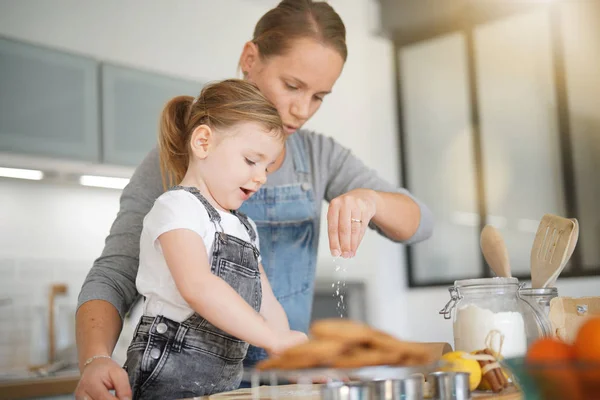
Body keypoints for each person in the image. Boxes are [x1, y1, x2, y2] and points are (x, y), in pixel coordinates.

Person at [75, 1, 434, 399]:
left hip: (282, 379)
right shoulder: (175, 178)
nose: (302, 109)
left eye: (319, 97)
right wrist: (95, 358)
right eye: (293, 86)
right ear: (250, 58)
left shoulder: (317, 159)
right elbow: (121, 273)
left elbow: (421, 225)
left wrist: (372, 201)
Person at [121, 79, 308, 399]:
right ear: (204, 142)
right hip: (165, 377)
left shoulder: (245, 227)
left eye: (267, 167)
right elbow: (198, 287)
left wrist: (291, 350)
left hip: (219, 384)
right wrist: (271, 339)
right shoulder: (178, 207)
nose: (261, 176)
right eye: (252, 160)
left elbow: (267, 301)